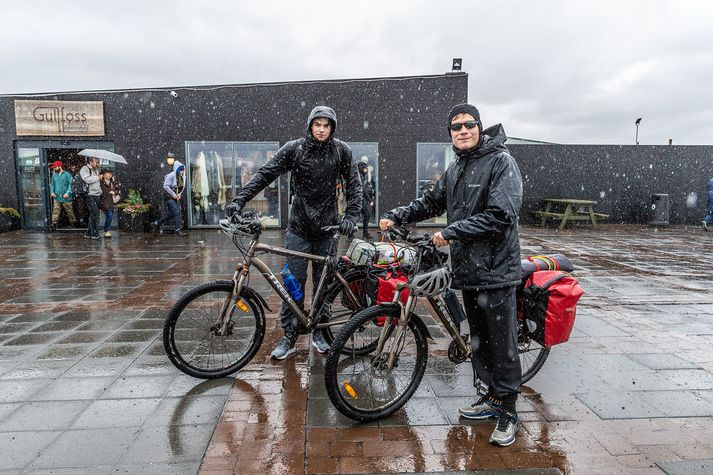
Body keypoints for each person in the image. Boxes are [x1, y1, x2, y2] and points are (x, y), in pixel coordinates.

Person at [379, 103, 524, 446]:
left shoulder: (501, 161)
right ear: (451, 134)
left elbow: (502, 214)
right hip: (469, 271)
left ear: (479, 127)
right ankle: (490, 399)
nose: (462, 130)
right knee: (479, 340)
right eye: (456, 127)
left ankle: (508, 411)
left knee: (502, 344)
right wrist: (398, 215)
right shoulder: (456, 168)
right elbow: (431, 202)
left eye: (468, 125)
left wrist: (454, 231)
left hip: (497, 270)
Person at [226, 106, 363, 360]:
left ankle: (320, 332)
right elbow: (265, 174)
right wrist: (240, 200)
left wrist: (351, 216)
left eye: (327, 125)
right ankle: (290, 336)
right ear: (310, 125)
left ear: (332, 128)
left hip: (328, 231)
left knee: (324, 285)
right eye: (317, 124)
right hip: (298, 229)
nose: (321, 129)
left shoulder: (340, 150)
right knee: (292, 284)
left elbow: (354, 185)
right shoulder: (295, 149)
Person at [151, 159, 187, 237]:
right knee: (176, 213)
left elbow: (181, 188)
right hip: (169, 197)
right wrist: (173, 194)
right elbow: (165, 186)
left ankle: (156, 223)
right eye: (182, 170)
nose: (183, 172)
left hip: (176, 197)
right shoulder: (172, 175)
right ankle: (178, 230)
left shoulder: (182, 177)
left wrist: (179, 195)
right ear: (178, 169)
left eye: (183, 170)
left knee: (171, 215)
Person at [48, 160, 75, 230]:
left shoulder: (67, 174)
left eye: (55, 167)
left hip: (66, 197)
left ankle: (73, 223)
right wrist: (52, 192)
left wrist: (68, 192)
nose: (54, 168)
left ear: (60, 166)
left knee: (69, 211)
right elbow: (52, 185)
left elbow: (71, 185)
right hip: (57, 197)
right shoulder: (54, 175)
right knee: (55, 211)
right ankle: (54, 224)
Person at [80, 156, 102, 240]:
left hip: (97, 194)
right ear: (91, 161)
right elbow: (87, 179)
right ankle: (94, 233)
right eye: (96, 162)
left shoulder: (96, 170)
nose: (98, 164)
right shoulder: (85, 169)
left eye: (98, 162)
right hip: (89, 194)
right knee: (95, 213)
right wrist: (97, 177)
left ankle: (88, 233)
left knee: (94, 214)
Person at [357, 161, 376, 239]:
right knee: (367, 214)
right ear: (362, 168)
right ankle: (365, 233)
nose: (366, 170)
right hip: (360, 200)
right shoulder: (360, 176)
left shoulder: (360, 176)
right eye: (365, 168)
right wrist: (369, 200)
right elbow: (363, 190)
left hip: (359, 199)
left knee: (361, 215)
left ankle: (363, 233)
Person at [98, 169, 119, 238]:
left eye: (110, 173)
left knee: (109, 216)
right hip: (104, 202)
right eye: (107, 173)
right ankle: (107, 230)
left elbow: (118, 191)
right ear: (103, 175)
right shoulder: (100, 182)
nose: (109, 174)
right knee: (109, 215)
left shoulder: (113, 182)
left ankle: (106, 230)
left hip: (112, 202)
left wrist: (114, 192)